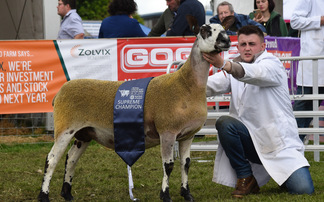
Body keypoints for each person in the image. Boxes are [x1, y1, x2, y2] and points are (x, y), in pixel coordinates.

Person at [203, 25, 314, 198]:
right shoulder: (234, 66)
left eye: (252, 44)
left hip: (278, 145)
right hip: (251, 141)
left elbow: (255, 73)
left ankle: (284, 175)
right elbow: (208, 86)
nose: (247, 48)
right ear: (238, 47)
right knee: (224, 123)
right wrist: (182, 82)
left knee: (303, 190)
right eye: (243, 44)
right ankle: (245, 176)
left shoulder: (272, 64)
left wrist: (224, 64)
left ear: (263, 46)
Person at [290, 0, 324, 142]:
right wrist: (320, 20)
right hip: (313, 65)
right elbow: (295, 22)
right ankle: (292, 149)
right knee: (303, 114)